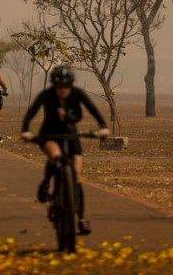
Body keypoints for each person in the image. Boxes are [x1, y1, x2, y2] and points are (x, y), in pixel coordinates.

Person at [20, 65, 109, 236]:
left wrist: (103, 127)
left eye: (66, 87)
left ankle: (81, 219)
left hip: (70, 136)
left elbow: (93, 110)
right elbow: (31, 112)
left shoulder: (77, 94)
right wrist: (25, 130)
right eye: (58, 87)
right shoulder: (46, 95)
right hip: (49, 135)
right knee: (57, 157)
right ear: (54, 85)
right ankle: (46, 183)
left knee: (77, 177)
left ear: (71, 85)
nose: (62, 90)